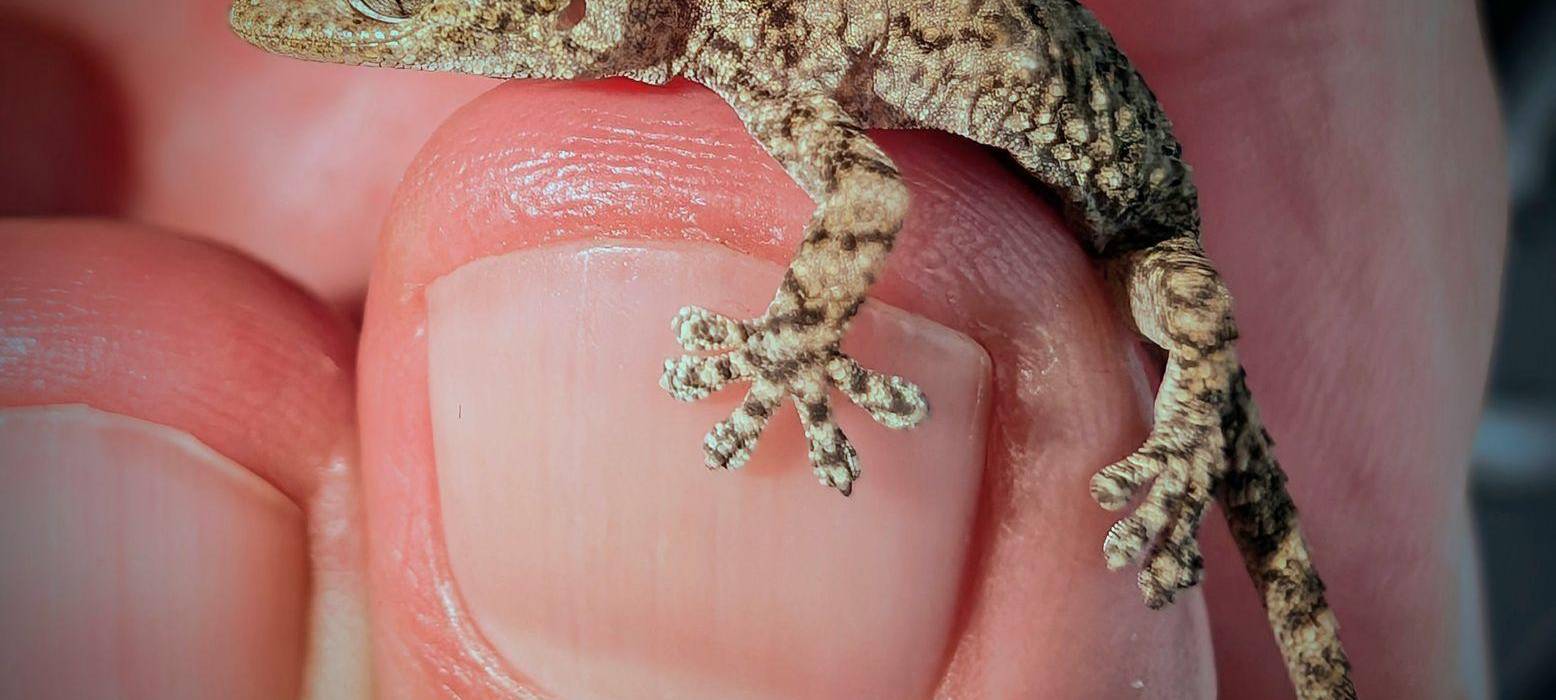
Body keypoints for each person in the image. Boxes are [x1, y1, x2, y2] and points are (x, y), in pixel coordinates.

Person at [0, 0, 1505, 697]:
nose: (400, 37)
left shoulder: (763, 45)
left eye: (412, 18)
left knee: (1203, 378)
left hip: (1140, 234)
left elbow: (871, 198)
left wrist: (793, 345)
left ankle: (1196, 444)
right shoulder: (742, 42)